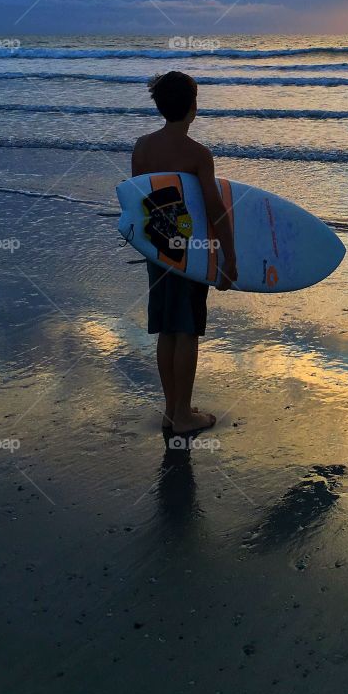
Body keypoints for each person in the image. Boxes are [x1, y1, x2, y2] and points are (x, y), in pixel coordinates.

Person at [131, 71, 238, 439]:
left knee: (166, 329)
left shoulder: (142, 147)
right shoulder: (197, 155)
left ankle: (173, 408)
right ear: (193, 107)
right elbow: (215, 208)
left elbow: (139, 204)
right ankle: (183, 417)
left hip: (157, 249)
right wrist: (230, 256)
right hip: (190, 252)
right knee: (188, 329)